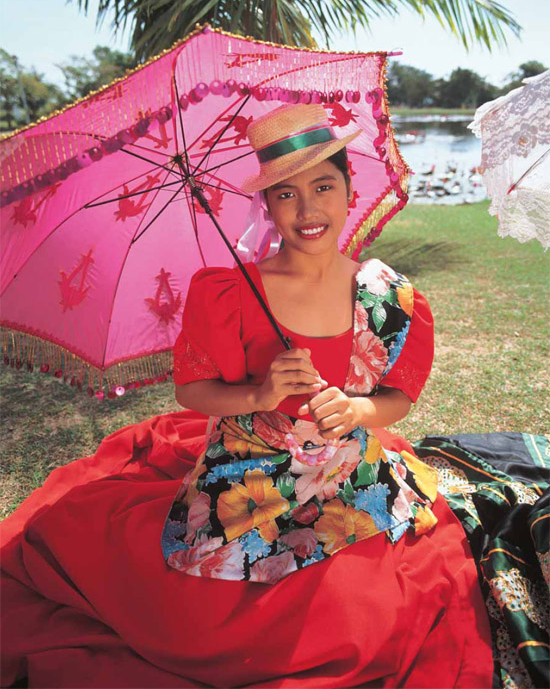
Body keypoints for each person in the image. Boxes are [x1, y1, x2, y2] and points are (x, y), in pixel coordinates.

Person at [1, 104, 495, 688]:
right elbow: (192, 392)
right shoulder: (230, 293)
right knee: (201, 627)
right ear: (266, 205)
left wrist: (360, 410)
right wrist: (260, 392)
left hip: (345, 476)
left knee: (362, 619)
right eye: (285, 195)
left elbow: (397, 398)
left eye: (322, 186)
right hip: (245, 476)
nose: (308, 210)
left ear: (348, 187)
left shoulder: (389, 296)